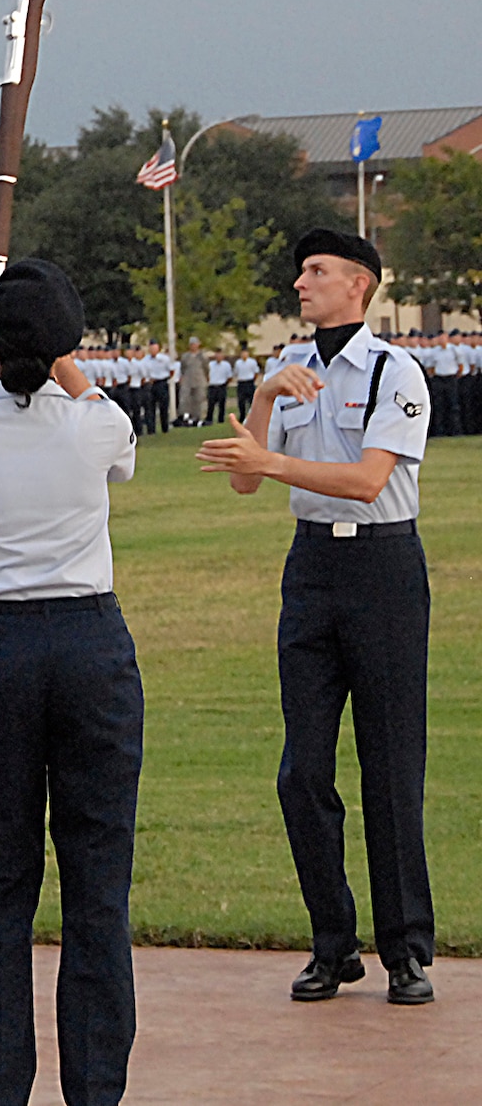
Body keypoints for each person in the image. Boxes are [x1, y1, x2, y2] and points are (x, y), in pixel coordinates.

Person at [197, 229, 436, 1006]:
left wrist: (268, 464)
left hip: (382, 569)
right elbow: (244, 484)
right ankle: (333, 942)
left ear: (358, 285)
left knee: (390, 763)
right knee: (302, 768)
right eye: (300, 268)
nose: (301, 282)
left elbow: (370, 480)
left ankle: (406, 947)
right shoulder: (287, 373)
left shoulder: (395, 371)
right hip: (312, 569)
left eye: (318, 270)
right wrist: (264, 401)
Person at [0, 259, 141, 1106]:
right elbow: (104, 426)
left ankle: (5, 1086)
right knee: (97, 877)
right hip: (90, 643)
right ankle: (95, 1089)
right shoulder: (98, 424)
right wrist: (61, 357)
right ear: (68, 344)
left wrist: (20, 349)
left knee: (5, 874)